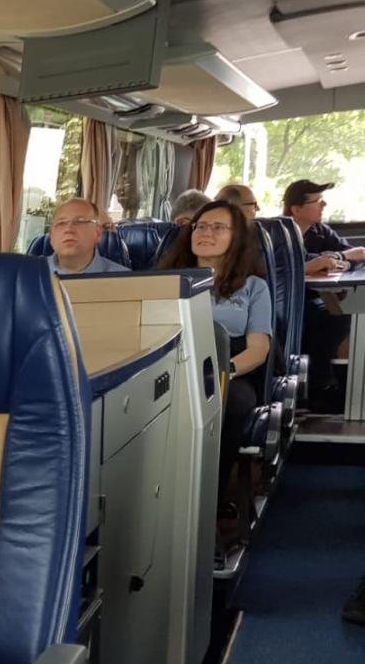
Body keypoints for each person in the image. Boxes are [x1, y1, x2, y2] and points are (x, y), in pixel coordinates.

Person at [158, 200, 272, 549]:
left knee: (229, 403)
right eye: (200, 226)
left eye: (217, 227)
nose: (205, 232)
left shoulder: (253, 287)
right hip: (172, 365)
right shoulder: (164, 280)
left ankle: (207, 504)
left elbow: (258, 349)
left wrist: (224, 371)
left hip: (230, 370)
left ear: (237, 238)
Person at [283, 179, 358, 406]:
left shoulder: (321, 232)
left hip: (313, 297)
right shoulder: (278, 233)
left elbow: (359, 252)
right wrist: (309, 266)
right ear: (296, 209)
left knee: (339, 317)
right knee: (322, 320)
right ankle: (320, 385)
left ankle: (321, 382)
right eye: (317, 201)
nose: (323, 205)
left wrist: (339, 258)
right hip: (287, 300)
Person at [46, 198, 131, 276]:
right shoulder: (38, 271)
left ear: (97, 233)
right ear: (51, 236)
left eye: (80, 222)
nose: (68, 229)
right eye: (61, 223)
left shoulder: (125, 280)